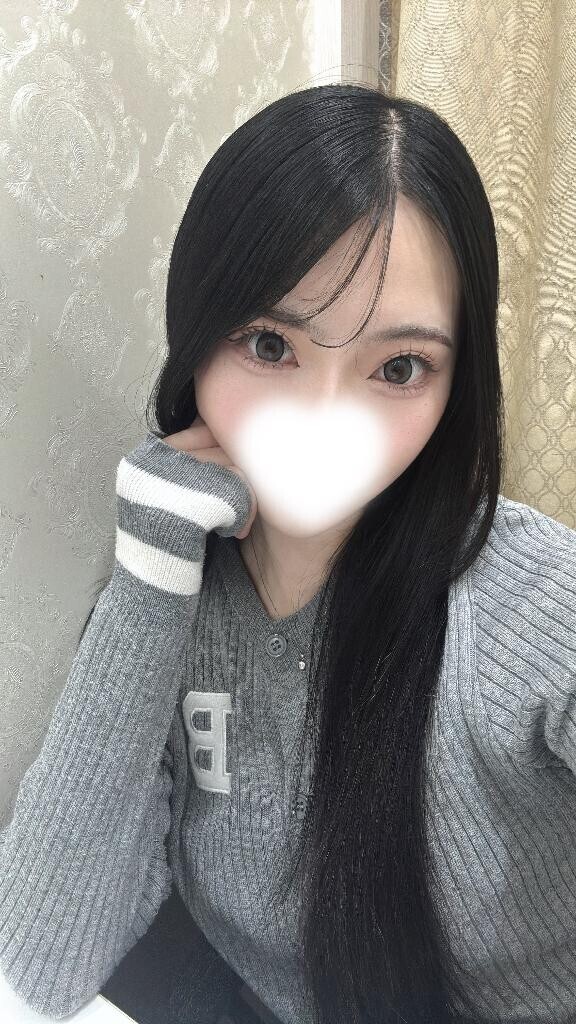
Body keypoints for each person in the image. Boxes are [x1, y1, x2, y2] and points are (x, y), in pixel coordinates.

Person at [0, 82, 575, 1024]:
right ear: (196, 338)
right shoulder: (168, 597)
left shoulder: (533, 603)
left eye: (398, 367)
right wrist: (147, 569)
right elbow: (37, 961)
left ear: (456, 380)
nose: (322, 421)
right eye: (270, 345)